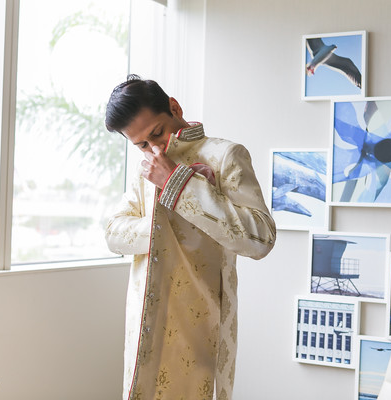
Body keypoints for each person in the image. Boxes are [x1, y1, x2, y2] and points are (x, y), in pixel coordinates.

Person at [104, 75, 276, 400]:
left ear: (174, 107)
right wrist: (163, 226)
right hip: (144, 326)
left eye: (157, 132)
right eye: (141, 144)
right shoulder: (147, 168)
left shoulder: (226, 155)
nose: (155, 148)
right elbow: (113, 233)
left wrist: (178, 184)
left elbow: (260, 238)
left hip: (201, 324)